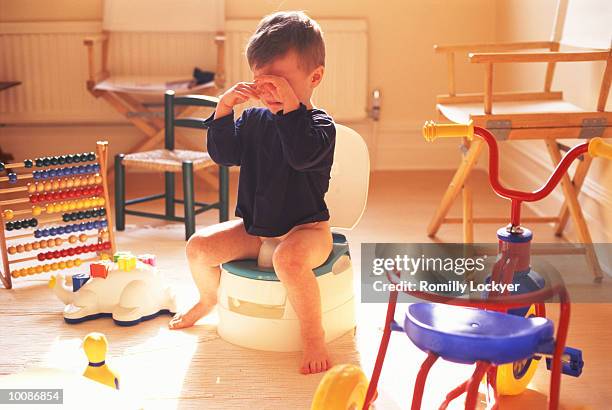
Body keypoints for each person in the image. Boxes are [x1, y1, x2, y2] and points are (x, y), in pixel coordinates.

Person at [169, 11, 336, 375]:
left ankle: (313, 335)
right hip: (256, 229)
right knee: (197, 247)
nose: (269, 91)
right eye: (262, 81)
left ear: (315, 77)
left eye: (281, 82)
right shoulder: (255, 119)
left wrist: (291, 108)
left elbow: (302, 153)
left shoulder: (319, 126)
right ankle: (208, 298)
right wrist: (224, 110)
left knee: (288, 261)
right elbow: (224, 155)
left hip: (306, 231)